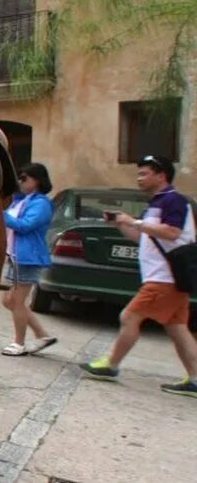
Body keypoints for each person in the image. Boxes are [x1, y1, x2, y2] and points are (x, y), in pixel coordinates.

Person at [81, 155, 197, 397]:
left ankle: (110, 365)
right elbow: (146, 238)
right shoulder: (156, 203)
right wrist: (122, 225)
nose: (139, 178)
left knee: (129, 317)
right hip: (168, 279)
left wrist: (133, 220)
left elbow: (172, 232)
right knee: (178, 329)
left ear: (161, 175)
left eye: (144, 174)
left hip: (163, 279)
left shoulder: (173, 201)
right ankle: (195, 379)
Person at [0, 163, 58, 357]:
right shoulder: (22, 200)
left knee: (16, 301)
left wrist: (0, 214)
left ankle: (19, 343)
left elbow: (25, 225)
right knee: (9, 300)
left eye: (25, 178)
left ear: (37, 181)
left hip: (28, 258)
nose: (21, 182)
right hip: (17, 257)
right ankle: (42, 335)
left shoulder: (40, 203)